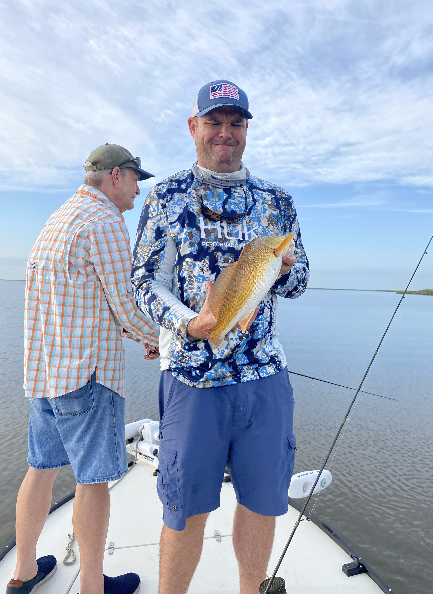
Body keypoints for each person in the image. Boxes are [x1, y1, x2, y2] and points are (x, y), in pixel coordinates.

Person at [131, 80, 309, 594]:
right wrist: (190, 324)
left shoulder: (277, 201)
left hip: (264, 376)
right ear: (194, 128)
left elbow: (299, 283)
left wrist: (285, 267)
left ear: (247, 130)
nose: (225, 133)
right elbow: (144, 281)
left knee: (262, 501)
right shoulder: (166, 196)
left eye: (236, 123)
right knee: (185, 508)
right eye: (215, 122)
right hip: (191, 378)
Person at [7, 144, 159, 594]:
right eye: (135, 178)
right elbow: (128, 307)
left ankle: (23, 572)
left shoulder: (59, 218)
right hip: (88, 379)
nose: (137, 189)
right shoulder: (105, 222)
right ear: (116, 175)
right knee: (93, 482)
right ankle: (93, 586)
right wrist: (158, 339)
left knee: (40, 470)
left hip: (44, 377)